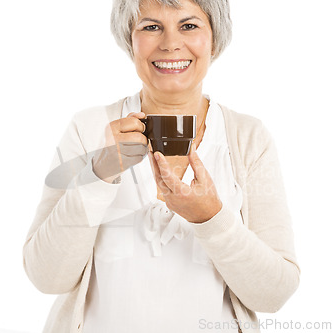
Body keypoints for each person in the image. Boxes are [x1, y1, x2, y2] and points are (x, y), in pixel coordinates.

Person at [22, 0, 300, 332]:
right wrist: (97, 175)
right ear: (130, 37)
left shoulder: (248, 138)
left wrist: (211, 216)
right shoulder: (88, 129)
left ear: (215, 37)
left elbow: (274, 294)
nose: (170, 43)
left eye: (189, 25)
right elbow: (46, 276)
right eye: (151, 26)